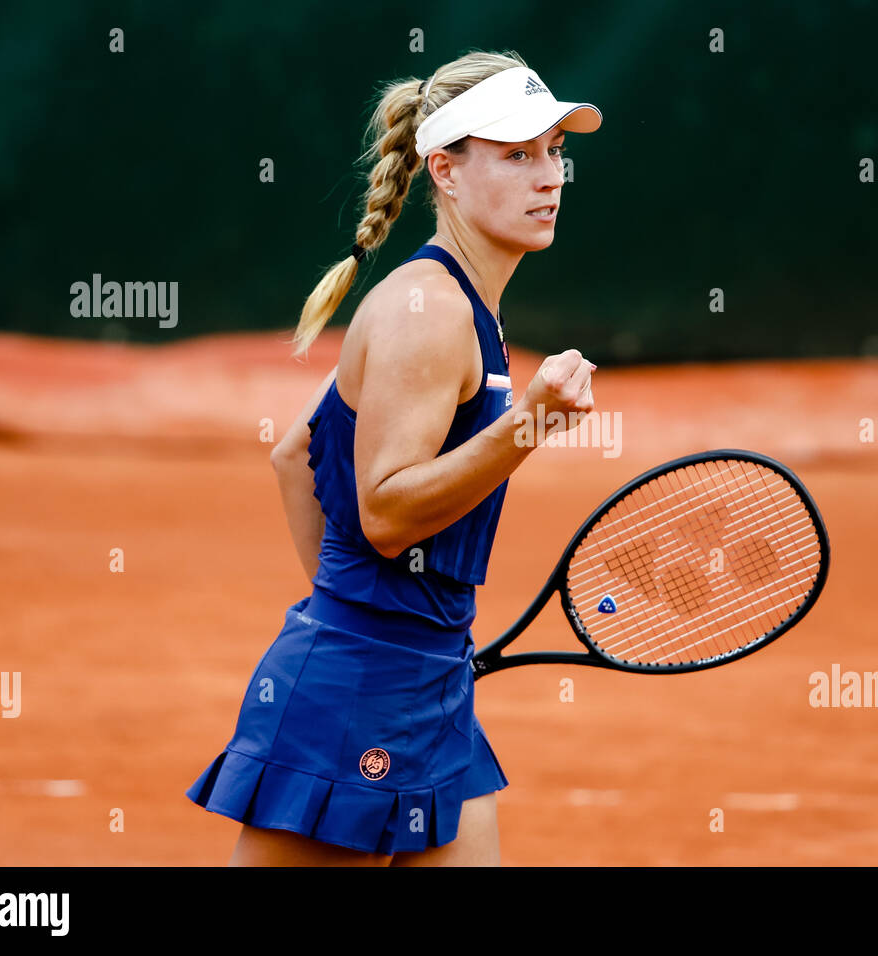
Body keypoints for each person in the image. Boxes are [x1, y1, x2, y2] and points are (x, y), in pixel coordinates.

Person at [185, 49, 602, 866]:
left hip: (424, 682)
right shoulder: (430, 313)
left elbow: (296, 454)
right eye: (517, 155)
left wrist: (388, 627)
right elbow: (382, 511)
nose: (547, 175)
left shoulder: (462, 305)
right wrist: (530, 425)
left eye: (554, 152)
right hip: (359, 695)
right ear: (444, 170)